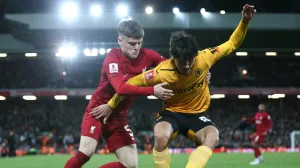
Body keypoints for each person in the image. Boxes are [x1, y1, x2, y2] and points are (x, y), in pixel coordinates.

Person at [95, 4, 255, 168]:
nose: (186, 65)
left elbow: (232, 43)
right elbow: (129, 83)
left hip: (197, 114)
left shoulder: (205, 57)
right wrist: (110, 105)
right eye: (181, 61)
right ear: (173, 58)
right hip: (171, 114)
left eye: (190, 60)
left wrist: (244, 21)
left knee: (213, 136)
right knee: (160, 136)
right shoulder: (162, 71)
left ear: (195, 56)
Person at [64, 18, 174, 168]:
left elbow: (173, 68)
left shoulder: (148, 55)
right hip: (98, 111)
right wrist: (153, 90)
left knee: (130, 165)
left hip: (118, 119)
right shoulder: (112, 59)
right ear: (120, 40)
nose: (136, 48)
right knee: (86, 152)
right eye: (132, 44)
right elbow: (121, 88)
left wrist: (197, 74)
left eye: (140, 43)